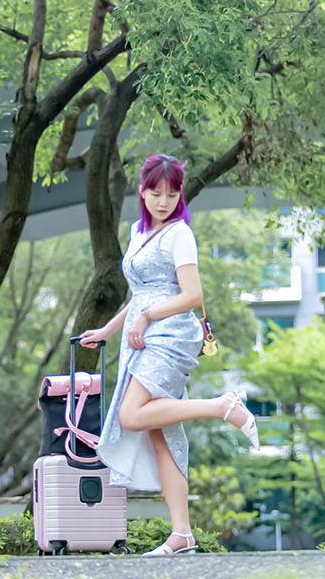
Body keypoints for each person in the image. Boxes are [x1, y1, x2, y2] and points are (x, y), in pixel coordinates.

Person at [80, 153, 259, 557]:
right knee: (160, 434)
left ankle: (221, 406)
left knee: (131, 416)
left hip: (171, 335)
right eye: (155, 192)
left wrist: (146, 316)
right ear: (141, 191)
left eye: (171, 193)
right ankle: (182, 534)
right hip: (141, 336)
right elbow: (138, 294)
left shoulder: (180, 234)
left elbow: (193, 296)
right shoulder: (136, 232)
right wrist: (109, 329)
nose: (163, 201)